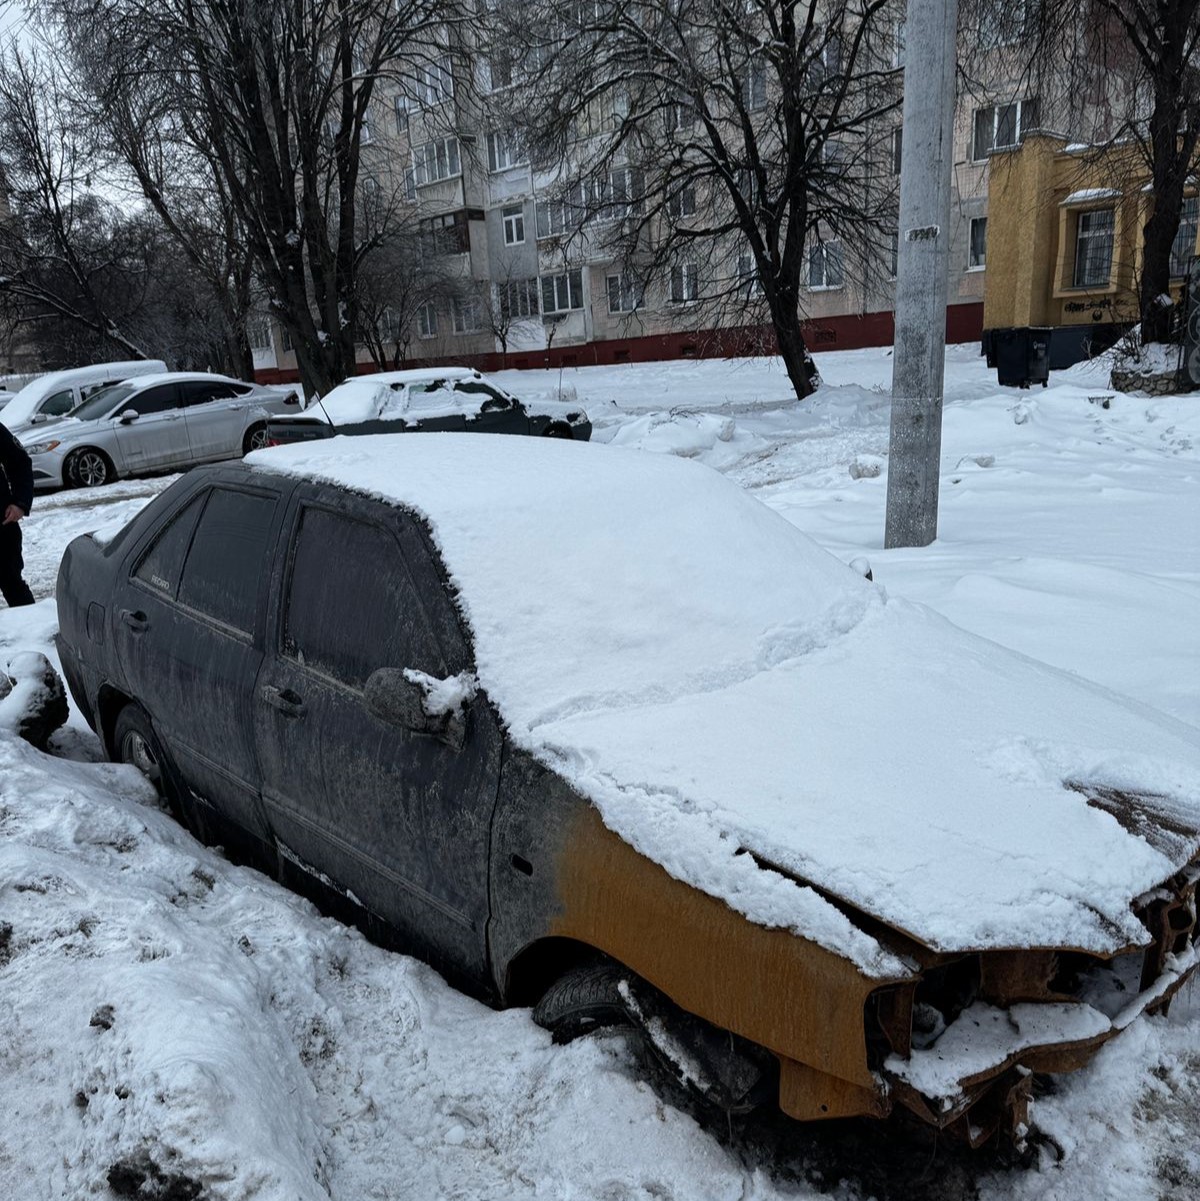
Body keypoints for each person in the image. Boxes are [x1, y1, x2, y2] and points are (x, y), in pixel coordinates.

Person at [0, 420, 35, 607]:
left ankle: (33, 625)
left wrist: (20, 503)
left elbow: (20, 462)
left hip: (2, 525)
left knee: (13, 585)